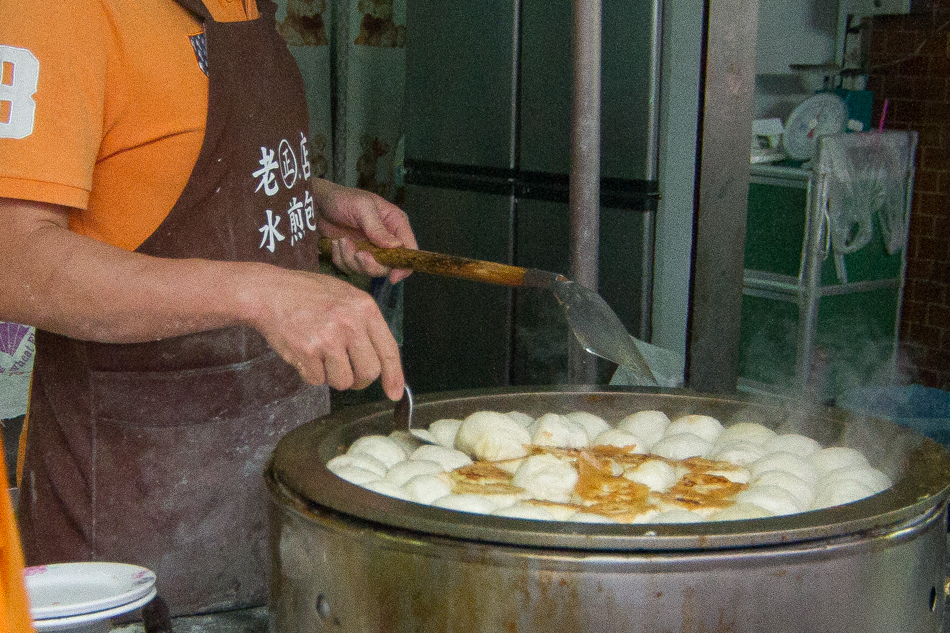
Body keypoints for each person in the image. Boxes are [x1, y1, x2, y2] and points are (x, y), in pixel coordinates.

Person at [0, 0, 417, 617]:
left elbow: (150, 163)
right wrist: (263, 292)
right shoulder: (55, 12)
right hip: (131, 523)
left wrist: (309, 204)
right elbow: (13, 260)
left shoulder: (244, 8)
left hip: (282, 504)